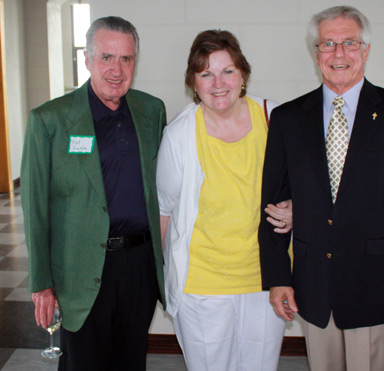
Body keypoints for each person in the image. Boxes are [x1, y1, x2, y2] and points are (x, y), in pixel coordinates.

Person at [259, 5, 384, 371]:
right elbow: (273, 207)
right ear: (316, 52)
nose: (339, 54)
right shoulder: (288, 119)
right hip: (313, 289)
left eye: (349, 43)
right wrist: (277, 278)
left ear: (365, 49)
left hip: (378, 290)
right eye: (328, 44)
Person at [21, 16, 166, 370]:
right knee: (83, 362)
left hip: (139, 264)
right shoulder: (50, 120)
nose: (116, 69)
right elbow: (34, 208)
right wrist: (42, 283)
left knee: (131, 360)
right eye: (106, 57)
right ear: (87, 59)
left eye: (126, 59)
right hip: (80, 266)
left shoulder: (152, 111)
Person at [156, 30, 292, 371]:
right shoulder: (179, 135)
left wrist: (298, 211)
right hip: (202, 285)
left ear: (243, 74)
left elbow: (308, 186)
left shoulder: (274, 118)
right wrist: (168, 273)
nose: (218, 83)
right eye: (206, 74)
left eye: (227, 71)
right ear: (193, 81)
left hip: (265, 281)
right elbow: (164, 212)